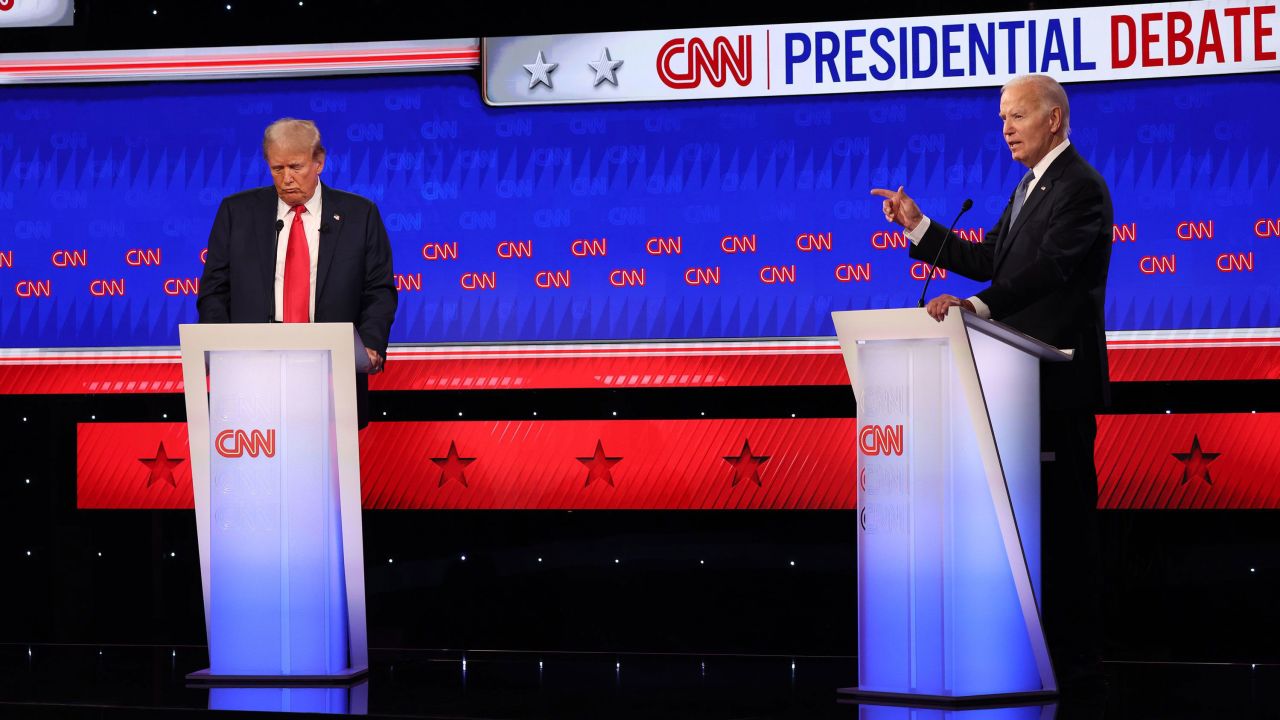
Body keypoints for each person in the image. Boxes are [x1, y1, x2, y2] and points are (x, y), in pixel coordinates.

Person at [872, 74, 1112, 693]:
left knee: (1063, 525)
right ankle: (1029, 656)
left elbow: (1052, 271)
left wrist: (977, 308)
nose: (1005, 127)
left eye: (1018, 115)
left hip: (1055, 383)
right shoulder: (1029, 186)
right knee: (1025, 525)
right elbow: (992, 260)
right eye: (1002, 116)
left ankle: (1076, 662)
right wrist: (921, 226)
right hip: (1014, 388)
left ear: (1054, 119)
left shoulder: (1079, 188)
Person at [197, 118, 397, 429]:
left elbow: (378, 290)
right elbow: (214, 290)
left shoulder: (360, 215)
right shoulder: (237, 212)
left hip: (331, 370)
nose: (287, 178)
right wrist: (220, 350)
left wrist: (370, 344)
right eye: (277, 169)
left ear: (319, 162)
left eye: (295, 167)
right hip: (251, 372)